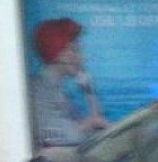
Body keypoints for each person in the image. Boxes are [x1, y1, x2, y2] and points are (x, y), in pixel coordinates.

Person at [31, 17, 109, 147]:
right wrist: (89, 123)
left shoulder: (60, 94)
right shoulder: (38, 90)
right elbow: (49, 134)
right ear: (57, 54)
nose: (81, 57)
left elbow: (94, 128)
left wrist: (88, 90)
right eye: (74, 50)